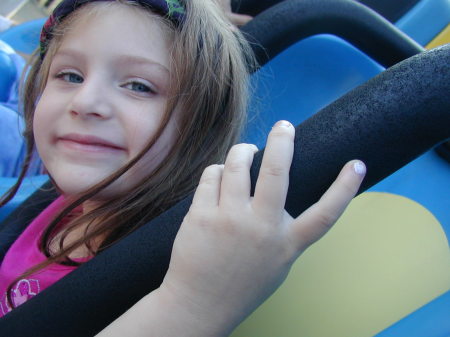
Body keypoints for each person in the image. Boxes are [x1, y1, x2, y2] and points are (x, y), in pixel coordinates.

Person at [0, 0, 366, 335]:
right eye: (70, 76)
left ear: (201, 128)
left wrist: (195, 304)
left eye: (139, 86)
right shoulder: (67, 200)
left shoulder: (164, 267)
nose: (86, 101)